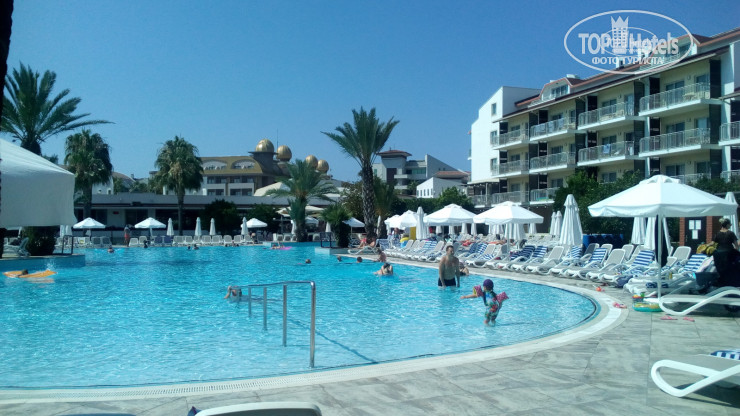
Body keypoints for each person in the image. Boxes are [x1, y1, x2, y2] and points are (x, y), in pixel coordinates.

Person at [712, 217, 740, 287]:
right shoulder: (731, 233)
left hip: (718, 255)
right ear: (727, 225)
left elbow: (712, 243)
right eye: (730, 224)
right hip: (729, 254)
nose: (730, 225)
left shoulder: (717, 233)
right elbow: (736, 246)